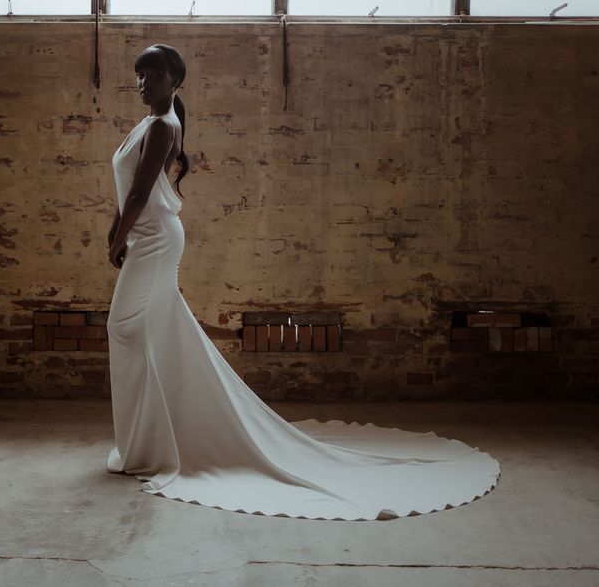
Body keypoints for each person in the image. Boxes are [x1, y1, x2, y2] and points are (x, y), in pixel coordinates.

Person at [105, 43, 500, 520]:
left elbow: (144, 192)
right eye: (140, 74)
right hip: (144, 235)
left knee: (124, 327)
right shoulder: (147, 123)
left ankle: (150, 445)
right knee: (148, 332)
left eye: (154, 74)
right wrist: (115, 229)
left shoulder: (166, 125)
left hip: (156, 239)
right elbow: (127, 188)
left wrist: (117, 239)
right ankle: (150, 440)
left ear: (175, 80)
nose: (144, 82)